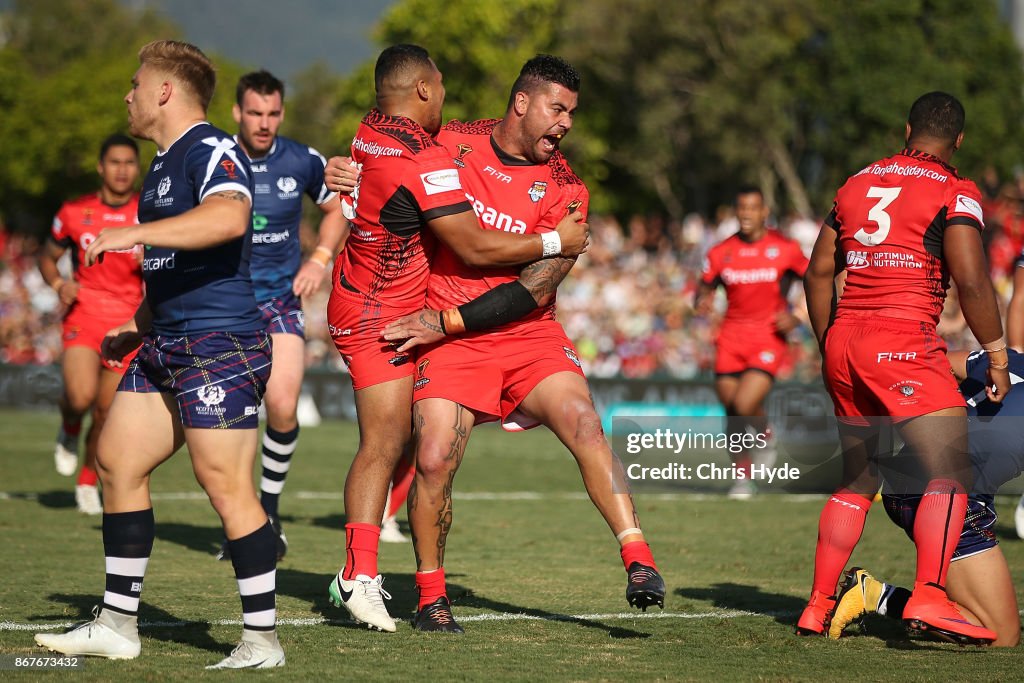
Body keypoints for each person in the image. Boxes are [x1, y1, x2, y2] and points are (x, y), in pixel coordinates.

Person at [371, 54, 665, 633]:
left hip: (523, 335)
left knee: (584, 421)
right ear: (522, 103)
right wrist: (344, 175)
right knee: (432, 459)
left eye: (573, 114)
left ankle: (638, 559)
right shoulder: (452, 142)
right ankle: (431, 595)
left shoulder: (568, 192)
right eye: (558, 108)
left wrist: (445, 320)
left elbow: (532, 294)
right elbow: (384, 154)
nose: (566, 124)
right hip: (452, 340)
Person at [34, 40, 284, 669]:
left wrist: (135, 231)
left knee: (222, 484)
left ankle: (262, 641)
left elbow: (228, 219)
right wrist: (134, 323)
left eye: (136, 82)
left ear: (166, 90)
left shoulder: (211, 148)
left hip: (218, 342)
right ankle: (118, 625)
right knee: (116, 461)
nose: (129, 94)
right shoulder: (165, 163)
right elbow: (175, 264)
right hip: (166, 340)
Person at [323, 44, 589, 633]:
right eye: (440, 86)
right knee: (384, 441)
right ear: (422, 90)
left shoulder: (372, 130)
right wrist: (555, 242)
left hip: (367, 296)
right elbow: (473, 246)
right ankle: (356, 575)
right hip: (378, 312)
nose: (446, 98)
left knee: (393, 443)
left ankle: (361, 571)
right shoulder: (424, 158)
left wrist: (336, 179)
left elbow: (354, 181)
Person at [799, 91, 1010, 644]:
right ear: (958, 140)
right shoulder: (955, 190)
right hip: (902, 339)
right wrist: (996, 351)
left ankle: (818, 605)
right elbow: (970, 279)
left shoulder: (856, 182)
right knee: (949, 470)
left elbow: (817, 274)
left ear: (907, 127)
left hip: (844, 340)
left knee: (858, 476)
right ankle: (930, 597)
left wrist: (829, 343)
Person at [214, 70, 348, 562]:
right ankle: (241, 518)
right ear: (237, 113)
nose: (264, 123)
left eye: (272, 114)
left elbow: (338, 211)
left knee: (284, 406)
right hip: (224, 303)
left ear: (282, 113)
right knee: (231, 419)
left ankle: (268, 511)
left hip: (279, 302)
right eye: (254, 113)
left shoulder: (303, 159)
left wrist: (320, 259)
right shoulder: (215, 159)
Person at [827, 349, 1023, 646]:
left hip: (909, 481)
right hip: (950, 498)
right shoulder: (1003, 360)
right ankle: (874, 596)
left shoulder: (1004, 359)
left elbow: (929, 362)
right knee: (1000, 637)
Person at [38, 134, 144, 515]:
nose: (121, 170)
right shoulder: (73, 211)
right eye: (114, 162)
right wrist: (57, 283)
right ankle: (68, 427)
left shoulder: (148, 215)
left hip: (128, 322)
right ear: (101, 167)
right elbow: (47, 256)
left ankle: (87, 479)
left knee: (105, 412)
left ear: (137, 168)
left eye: (129, 163)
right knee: (80, 397)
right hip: (84, 315)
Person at [694, 186, 807, 499]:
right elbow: (701, 290)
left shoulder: (785, 248)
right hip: (730, 337)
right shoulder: (720, 252)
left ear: (764, 212)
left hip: (768, 336)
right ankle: (743, 477)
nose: (746, 214)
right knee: (731, 411)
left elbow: (817, 280)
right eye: (741, 208)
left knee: (745, 404)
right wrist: (702, 301)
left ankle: (765, 435)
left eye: (752, 208)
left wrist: (797, 316)